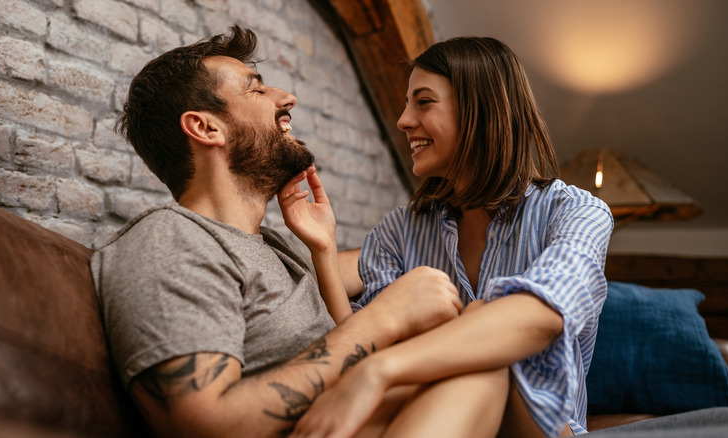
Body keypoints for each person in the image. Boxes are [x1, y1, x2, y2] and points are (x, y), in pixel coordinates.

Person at [90, 25, 465, 438]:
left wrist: (324, 247)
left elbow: (387, 259)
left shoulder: (276, 246)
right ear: (207, 128)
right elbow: (205, 424)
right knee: (473, 371)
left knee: (480, 337)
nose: (288, 98)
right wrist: (383, 319)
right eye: (256, 90)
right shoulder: (167, 241)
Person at [290, 36, 614, 437]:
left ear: (481, 110)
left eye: (423, 101)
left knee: (486, 332)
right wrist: (323, 247)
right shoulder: (402, 228)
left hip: (536, 428)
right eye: (408, 103)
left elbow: (539, 318)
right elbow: (361, 338)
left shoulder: (578, 214)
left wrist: (380, 371)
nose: (404, 120)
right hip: (429, 415)